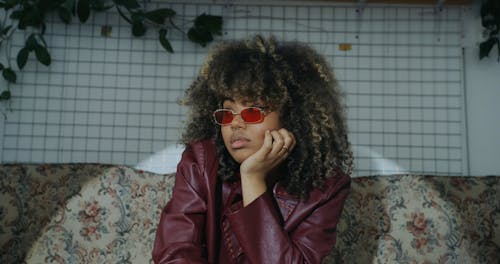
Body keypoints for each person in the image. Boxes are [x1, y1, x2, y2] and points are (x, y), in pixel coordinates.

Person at [152, 35, 353, 264]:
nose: (236, 123)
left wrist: (252, 178)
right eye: (227, 113)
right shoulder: (201, 162)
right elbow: (175, 254)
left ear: (291, 118)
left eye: (252, 112)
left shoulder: (326, 188)